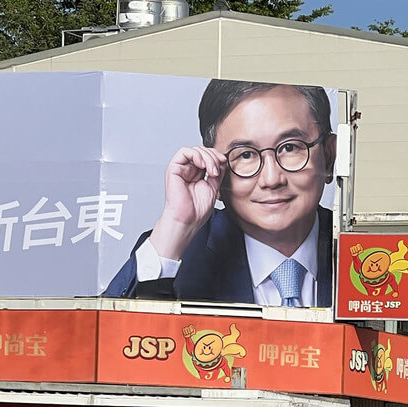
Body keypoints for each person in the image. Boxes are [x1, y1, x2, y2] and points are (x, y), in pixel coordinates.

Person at [103, 79, 337, 306]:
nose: (271, 179)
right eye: (245, 154)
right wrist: (177, 224)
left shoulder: (364, 255)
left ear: (329, 157)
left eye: (290, 147)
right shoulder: (177, 252)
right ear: (214, 168)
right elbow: (100, 337)